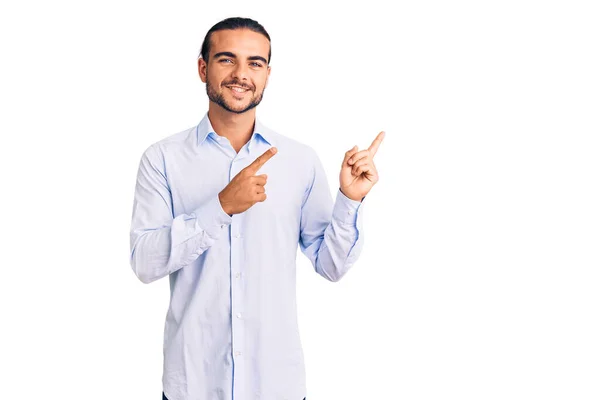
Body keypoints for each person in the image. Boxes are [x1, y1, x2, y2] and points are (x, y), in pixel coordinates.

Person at [129, 16, 384, 400]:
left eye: (255, 63)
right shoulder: (162, 159)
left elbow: (331, 266)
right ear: (203, 68)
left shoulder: (299, 160)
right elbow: (144, 263)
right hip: (194, 385)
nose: (241, 74)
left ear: (267, 74)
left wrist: (350, 200)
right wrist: (221, 207)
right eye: (226, 60)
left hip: (275, 385)